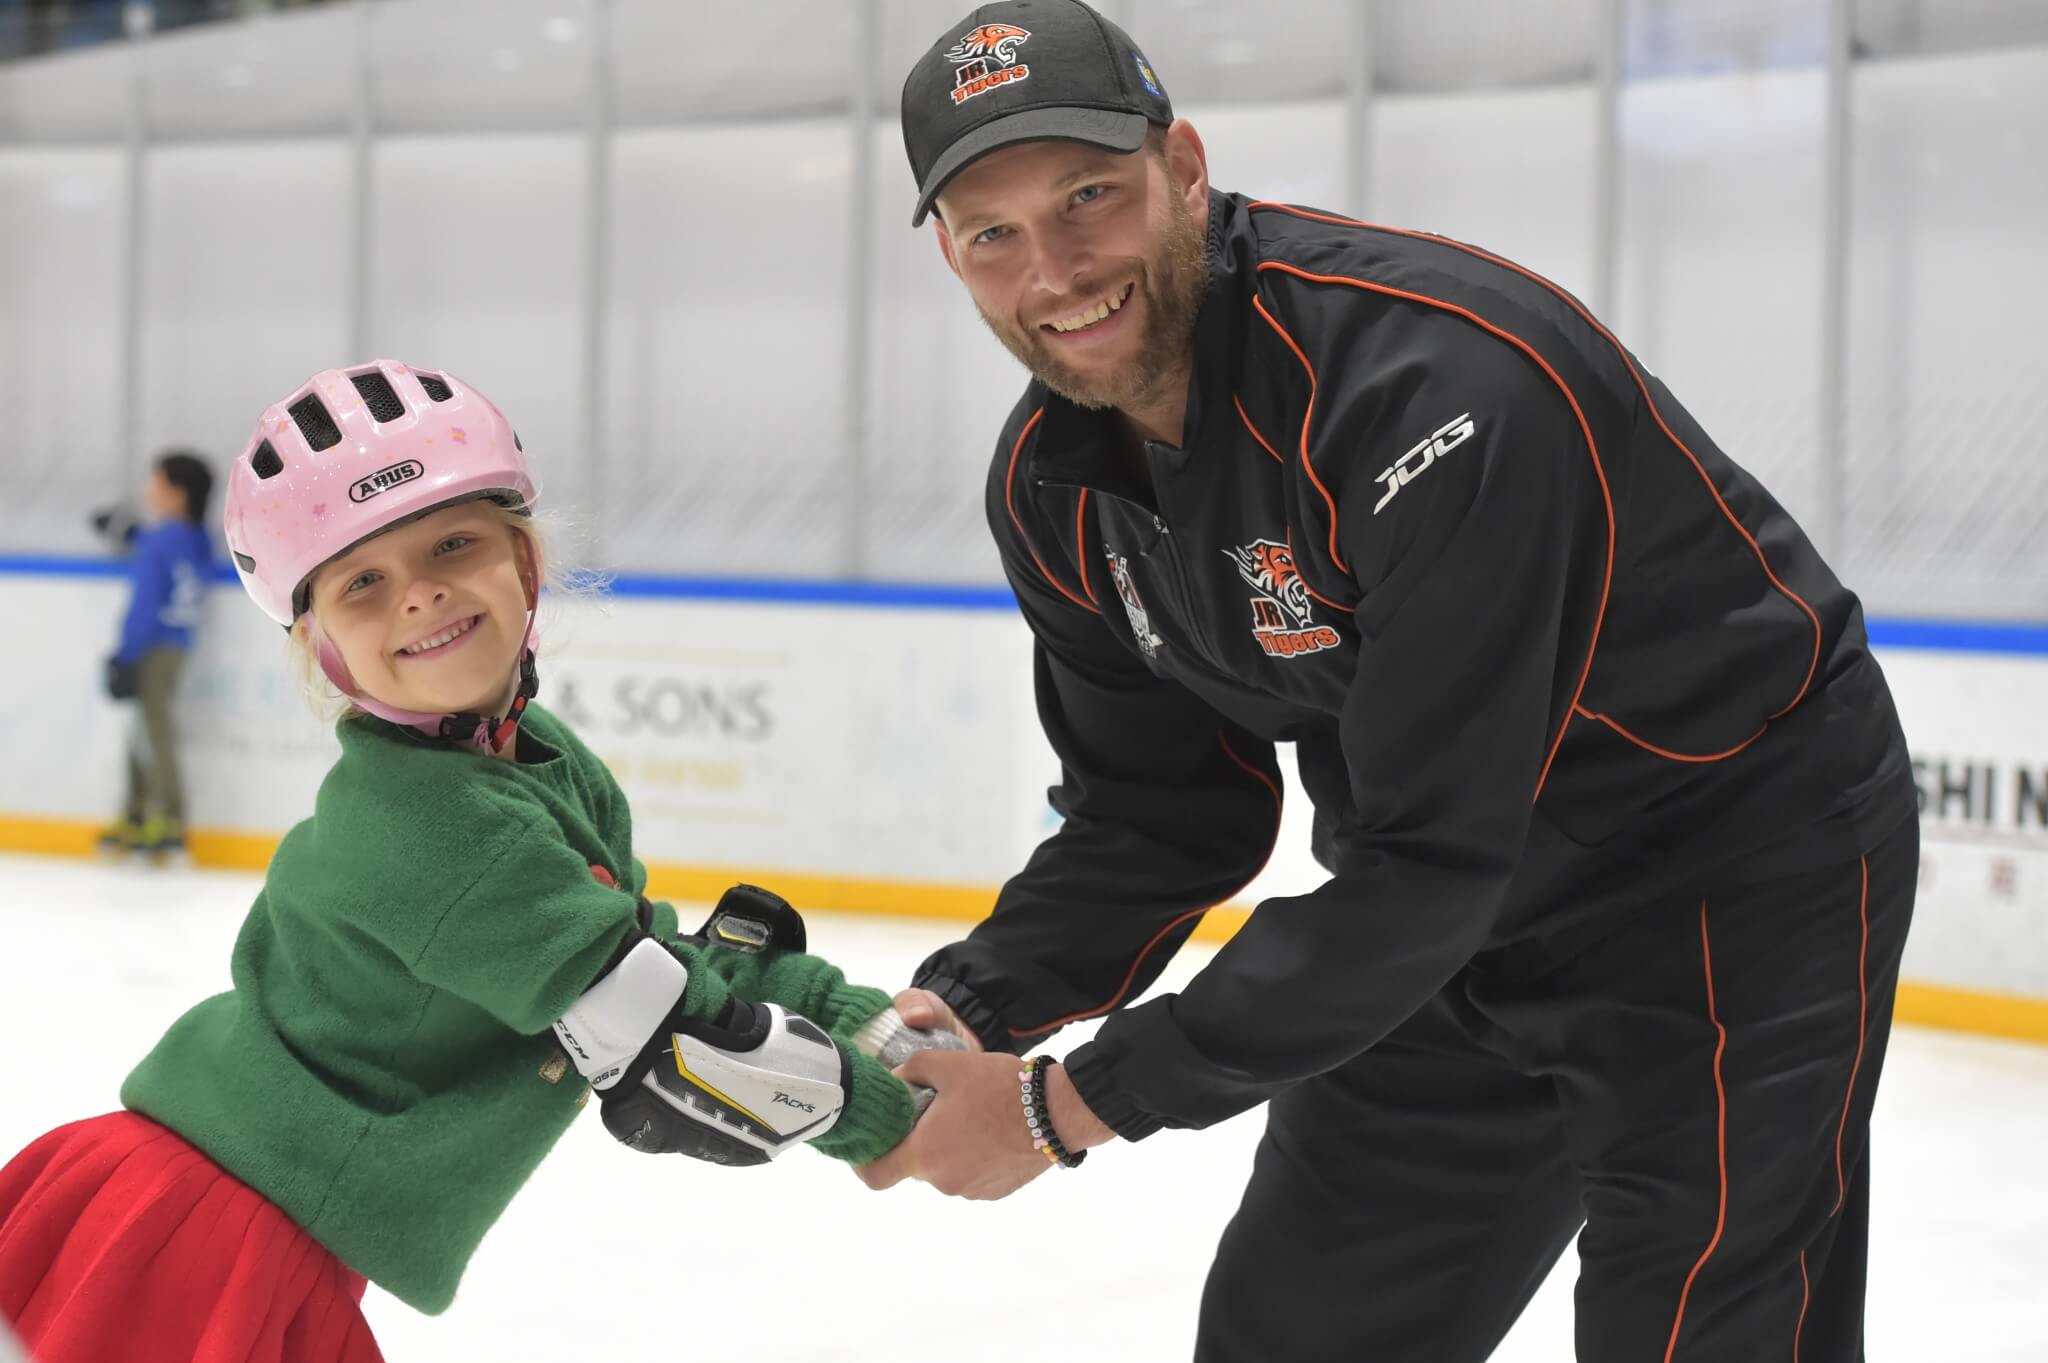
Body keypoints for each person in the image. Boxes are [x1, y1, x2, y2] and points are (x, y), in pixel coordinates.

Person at [859, 5, 1920, 1361]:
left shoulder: (1440, 387)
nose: (1055, 268)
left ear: (1183, 166)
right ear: (950, 257)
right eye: (992, 231)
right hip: (1427, 904)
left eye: (1088, 196)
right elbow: (1159, 818)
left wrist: (1066, 1102)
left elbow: (1433, 861)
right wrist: (965, 1004)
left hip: (1730, 866)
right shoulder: (1056, 484)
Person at [0, 361, 935, 1363]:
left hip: (256, 1225)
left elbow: (656, 952)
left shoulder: (536, 756)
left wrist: (872, 1023)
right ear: (324, 648)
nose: (420, 594)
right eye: (363, 581)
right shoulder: (429, 823)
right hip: (202, 1240)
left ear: (526, 566)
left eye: (453, 543)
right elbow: (675, 1036)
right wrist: (892, 1118)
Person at [97, 448, 214, 860]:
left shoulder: (161, 539)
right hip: (177, 644)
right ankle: (138, 810)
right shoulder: (197, 539)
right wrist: (129, 534)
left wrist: (126, 654)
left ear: (177, 492)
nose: (150, 489)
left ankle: (166, 817)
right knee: (145, 727)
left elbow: (145, 601)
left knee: (152, 730)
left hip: (150, 645)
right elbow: (165, 552)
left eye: (156, 481)